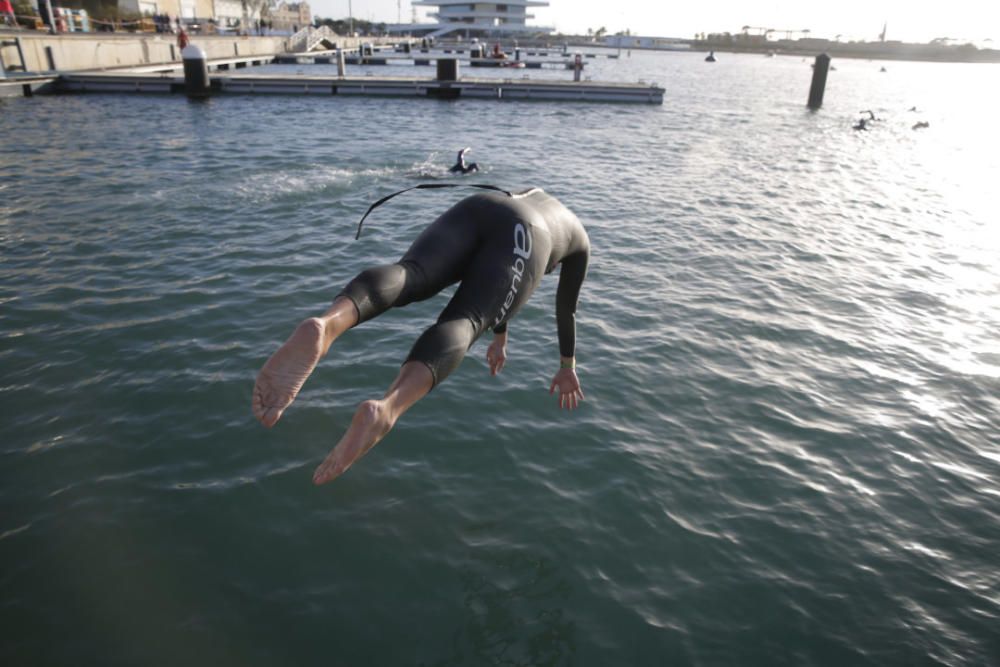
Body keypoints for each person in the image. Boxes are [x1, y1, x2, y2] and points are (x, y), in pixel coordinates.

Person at [252, 188, 590, 485]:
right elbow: (564, 307)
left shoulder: (542, 199)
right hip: (531, 235)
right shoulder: (578, 242)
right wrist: (567, 365)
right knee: (468, 319)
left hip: (485, 204)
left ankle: (327, 325)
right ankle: (387, 408)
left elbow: (503, 275)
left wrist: (500, 337)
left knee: (410, 274)